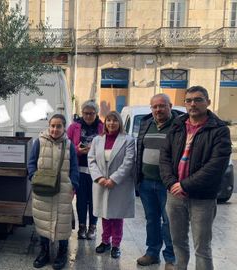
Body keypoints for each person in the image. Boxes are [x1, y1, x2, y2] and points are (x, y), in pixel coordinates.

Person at [160, 86, 232, 270]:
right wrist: (171, 183)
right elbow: (165, 157)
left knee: (202, 247)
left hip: (202, 198)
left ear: (208, 102)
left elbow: (216, 166)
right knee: (178, 242)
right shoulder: (177, 125)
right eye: (189, 100)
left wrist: (185, 185)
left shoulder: (219, 129)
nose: (193, 104)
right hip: (174, 195)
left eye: (198, 100)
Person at [136, 94, 182, 269]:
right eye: (154, 107)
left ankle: (171, 258)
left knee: (169, 221)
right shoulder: (147, 124)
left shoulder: (179, 126)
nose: (158, 110)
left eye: (162, 106)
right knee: (151, 219)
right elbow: (141, 149)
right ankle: (152, 253)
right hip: (147, 182)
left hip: (168, 184)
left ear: (170, 106)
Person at [28, 114, 79, 270]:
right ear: (48, 126)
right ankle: (44, 251)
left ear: (64, 128)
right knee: (43, 220)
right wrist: (33, 177)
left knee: (63, 223)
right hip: (42, 189)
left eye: (59, 126)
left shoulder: (69, 145)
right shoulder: (39, 142)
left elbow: (74, 168)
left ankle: (62, 252)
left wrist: (73, 186)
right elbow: (31, 162)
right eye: (52, 126)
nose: (55, 129)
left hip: (63, 190)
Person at [88, 111, 135, 259]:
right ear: (105, 123)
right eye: (108, 120)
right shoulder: (97, 140)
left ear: (119, 123)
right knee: (104, 214)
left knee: (117, 216)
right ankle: (104, 241)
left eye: (115, 120)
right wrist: (99, 178)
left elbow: (129, 162)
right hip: (101, 183)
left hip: (119, 184)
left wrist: (113, 179)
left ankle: (116, 245)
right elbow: (91, 159)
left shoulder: (128, 140)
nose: (111, 123)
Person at [67, 100, 103, 240]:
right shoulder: (74, 127)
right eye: (86, 113)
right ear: (82, 113)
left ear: (96, 114)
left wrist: (93, 151)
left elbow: (106, 145)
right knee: (81, 199)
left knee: (95, 200)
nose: (88, 116)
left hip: (96, 170)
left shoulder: (102, 127)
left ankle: (92, 227)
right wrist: (77, 150)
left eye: (92, 114)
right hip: (79, 168)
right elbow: (67, 145)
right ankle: (82, 226)